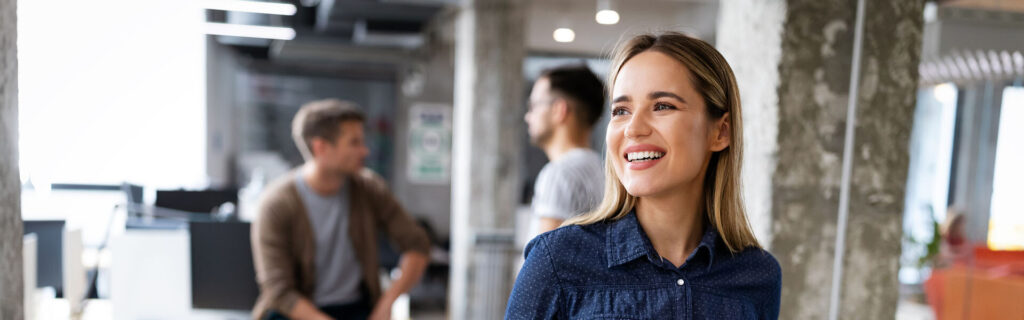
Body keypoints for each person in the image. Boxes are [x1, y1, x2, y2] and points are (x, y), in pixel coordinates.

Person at [506, 32, 782, 319]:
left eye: (663, 106)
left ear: (720, 131)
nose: (633, 128)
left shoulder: (758, 276)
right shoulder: (556, 260)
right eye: (621, 110)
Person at [251, 99, 430, 320]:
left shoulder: (369, 188)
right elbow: (278, 291)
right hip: (296, 311)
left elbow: (418, 245)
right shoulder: (276, 202)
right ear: (321, 148)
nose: (364, 151)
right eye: (354, 143)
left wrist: (387, 304)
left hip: (356, 308)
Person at [523, 65, 606, 238]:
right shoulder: (603, 170)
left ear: (559, 110)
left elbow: (542, 262)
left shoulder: (558, 175)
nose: (528, 116)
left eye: (533, 106)